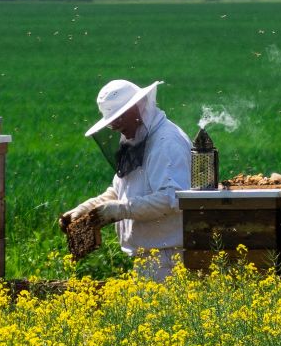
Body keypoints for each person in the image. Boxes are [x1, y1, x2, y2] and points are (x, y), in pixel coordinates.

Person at [60, 79, 192, 281]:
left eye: (119, 118)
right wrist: (86, 209)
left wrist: (121, 210)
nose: (114, 126)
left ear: (138, 107)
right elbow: (119, 190)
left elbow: (170, 198)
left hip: (168, 259)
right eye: (112, 120)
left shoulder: (167, 142)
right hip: (149, 258)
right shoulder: (136, 139)